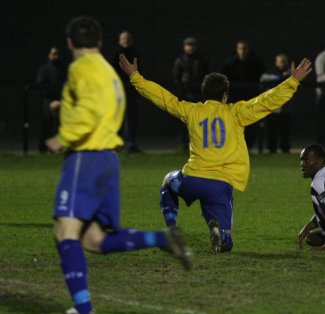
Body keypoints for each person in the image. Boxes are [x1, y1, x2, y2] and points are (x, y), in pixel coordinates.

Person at [46, 16, 192, 314]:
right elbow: (106, 109)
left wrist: (63, 138)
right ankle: (161, 239)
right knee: (94, 240)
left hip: (85, 158)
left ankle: (84, 310)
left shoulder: (80, 69)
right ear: (99, 43)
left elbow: (89, 114)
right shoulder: (108, 74)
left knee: (65, 233)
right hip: (109, 161)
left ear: (70, 43)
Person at [119, 53, 312, 253]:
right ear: (225, 95)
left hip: (192, 179)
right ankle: (222, 235)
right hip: (220, 186)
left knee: (168, 182)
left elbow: (164, 98)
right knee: (227, 243)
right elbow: (266, 101)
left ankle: (170, 229)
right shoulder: (235, 113)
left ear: (204, 95)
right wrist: (292, 82)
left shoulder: (191, 111)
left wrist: (135, 77)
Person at [222, 40, 265, 151]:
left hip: (250, 97)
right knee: (234, 122)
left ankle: (248, 146)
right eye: (240, 48)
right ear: (237, 49)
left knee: (250, 121)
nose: (242, 51)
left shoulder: (255, 62)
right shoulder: (230, 63)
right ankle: (234, 146)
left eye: (244, 48)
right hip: (235, 97)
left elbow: (262, 75)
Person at [172, 37, 209, 150]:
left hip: (198, 94)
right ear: (184, 47)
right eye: (188, 45)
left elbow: (206, 75)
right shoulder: (181, 60)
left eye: (192, 45)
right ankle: (184, 143)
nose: (190, 47)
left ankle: (198, 143)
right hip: (185, 93)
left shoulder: (201, 60)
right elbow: (176, 77)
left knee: (199, 120)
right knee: (185, 120)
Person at [112, 30, 141, 153]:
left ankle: (130, 144)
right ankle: (117, 144)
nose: (126, 40)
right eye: (124, 38)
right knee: (118, 117)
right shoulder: (116, 54)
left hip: (131, 89)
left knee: (130, 117)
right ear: (120, 40)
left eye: (127, 38)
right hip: (119, 90)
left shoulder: (135, 54)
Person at [35, 46, 67, 153]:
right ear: (49, 55)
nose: (56, 56)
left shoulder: (63, 68)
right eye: (53, 54)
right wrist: (49, 97)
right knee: (46, 124)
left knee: (60, 125)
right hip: (49, 100)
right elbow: (40, 85)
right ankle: (43, 149)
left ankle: (57, 149)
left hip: (61, 100)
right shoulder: (44, 69)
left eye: (57, 53)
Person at [260, 53, 292, 153]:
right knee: (272, 130)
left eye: (284, 61)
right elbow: (263, 78)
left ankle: (285, 149)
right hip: (273, 107)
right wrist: (279, 77)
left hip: (285, 107)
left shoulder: (290, 73)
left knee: (285, 130)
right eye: (280, 61)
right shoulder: (270, 72)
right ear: (276, 62)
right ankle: (271, 149)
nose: (282, 64)